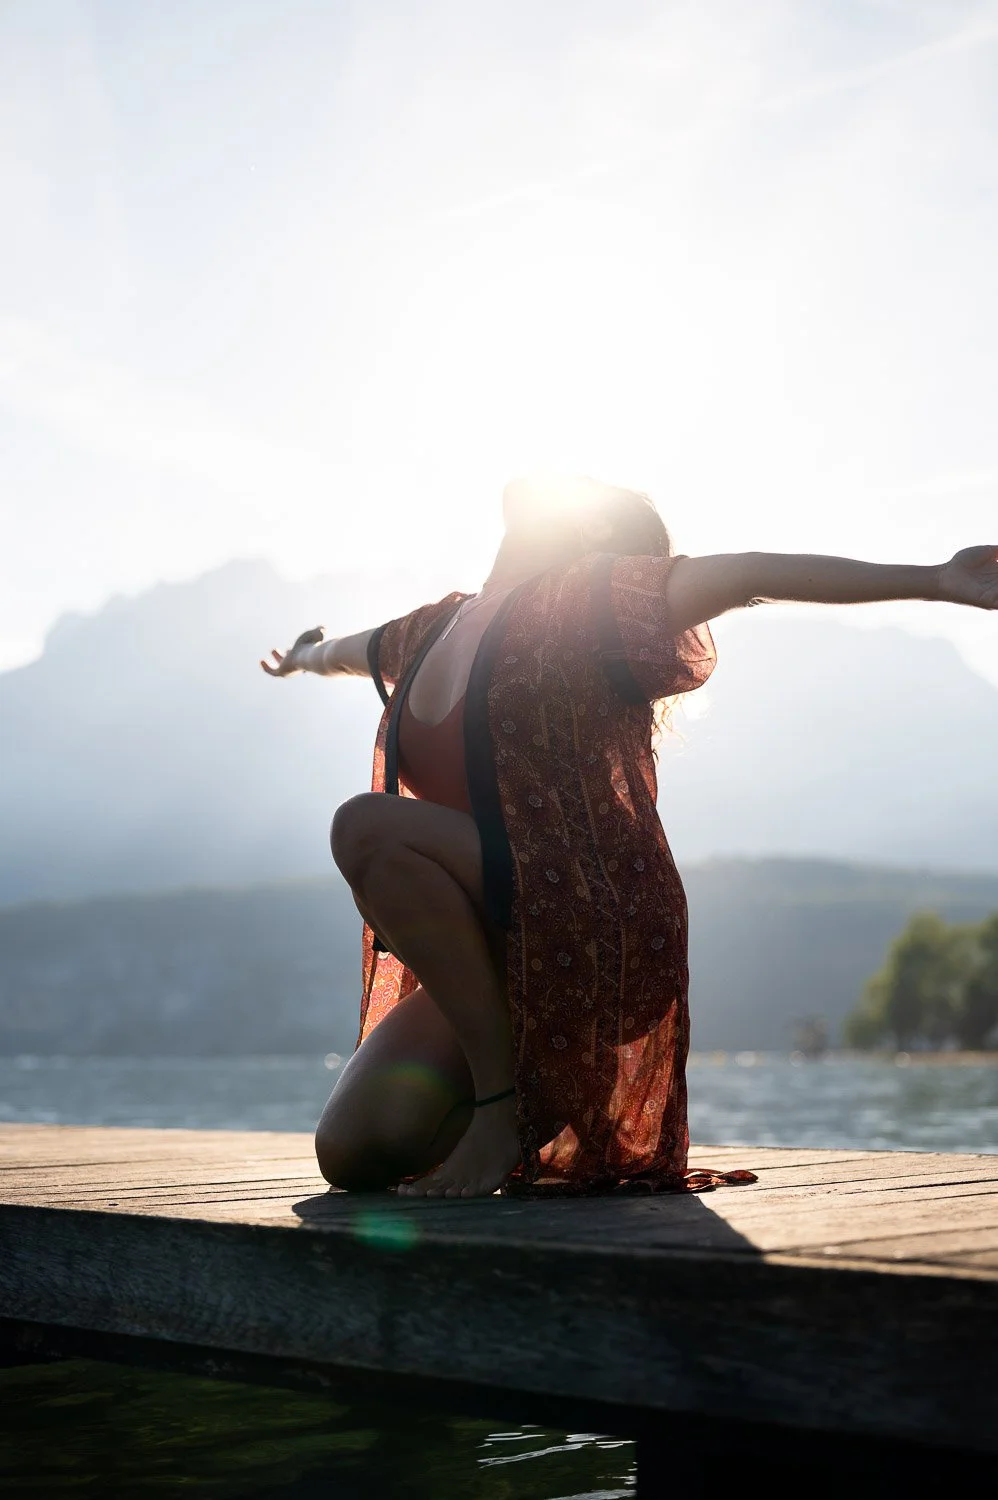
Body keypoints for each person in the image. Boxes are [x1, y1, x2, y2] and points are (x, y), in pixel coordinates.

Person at [261, 475, 997, 1199]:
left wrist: (936, 578)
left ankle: (500, 1105)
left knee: (365, 827)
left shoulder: (599, 597)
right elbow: (343, 654)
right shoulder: (428, 631)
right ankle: (534, 1108)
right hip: (493, 948)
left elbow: (749, 576)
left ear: (592, 531)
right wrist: (302, 657)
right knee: (353, 1152)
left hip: (592, 912)